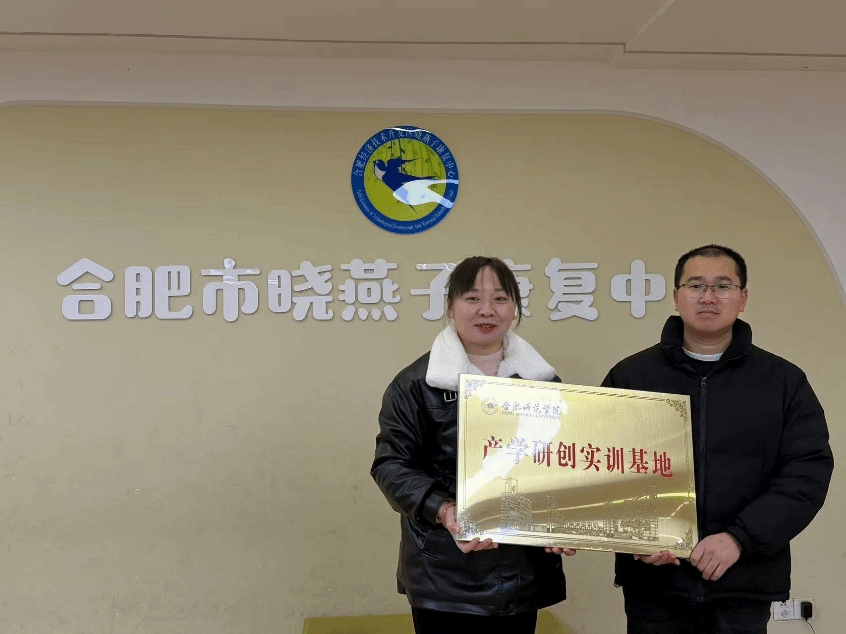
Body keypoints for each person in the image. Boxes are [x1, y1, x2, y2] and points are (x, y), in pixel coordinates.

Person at [602, 244, 833, 634]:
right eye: (696, 285)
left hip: (744, 582)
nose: (708, 297)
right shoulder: (631, 377)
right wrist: (637, 537)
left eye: (723, 286)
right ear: (676, 296)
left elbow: (806, 474)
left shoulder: (783, 382)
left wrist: (739, 538)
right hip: (656, 584)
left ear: (743, 299)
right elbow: (602, 466)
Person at [371, 256, 574, 634]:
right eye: (472, 298)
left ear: (515, 308)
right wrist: (444, 509)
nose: (487, 310)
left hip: (522, 572)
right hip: (443, 575)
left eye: (500, 298)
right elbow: (391, 464)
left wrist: (563, 520)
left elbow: (564, 463)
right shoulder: (416, 384)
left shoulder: (544, 383)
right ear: (450, 307)